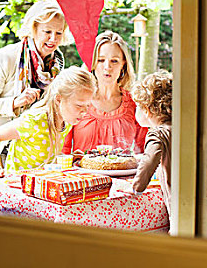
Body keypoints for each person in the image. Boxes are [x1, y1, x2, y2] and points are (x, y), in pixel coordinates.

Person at [0, 0, 73, 170]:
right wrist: (15, 102)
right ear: (33, 28)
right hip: (0, 146)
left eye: (58, 33)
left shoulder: (57, 63)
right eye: (47, 31)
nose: (53, 39)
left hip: (32, 148)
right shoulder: (6, 57)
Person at [0, 66, 96, 178]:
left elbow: (45, 157)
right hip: (17, 183)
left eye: (87, 105)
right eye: (79, 105)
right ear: (58, 99)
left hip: (41, 185)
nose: (85, 111)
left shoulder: (66, 123)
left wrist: (70, 158)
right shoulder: (35, 120)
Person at [62, 30, 147, 158]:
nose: (107, 67)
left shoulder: (135, 104)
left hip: (125, 176)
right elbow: (63, 151)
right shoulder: (77, 101)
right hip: (82, 176)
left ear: (123, 64)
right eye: (101, 60)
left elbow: (144, 152)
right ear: (92, 63)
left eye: (114, 61)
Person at [131, 71, 173, 218]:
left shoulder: (158, 133)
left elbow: (149, 161)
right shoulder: (180, 129)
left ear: (147, 110)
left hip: (175, 204)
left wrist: (137, 187)